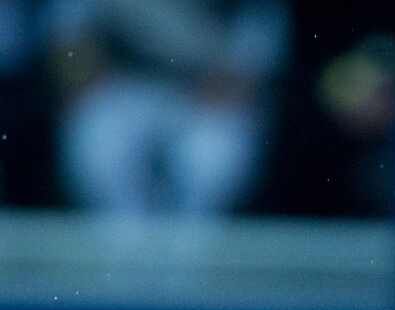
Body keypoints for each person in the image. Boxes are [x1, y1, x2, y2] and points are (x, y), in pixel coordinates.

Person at [46, 0, 290, 214]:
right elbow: (70, 33)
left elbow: (258, 42)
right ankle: (121, 249)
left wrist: (235, 80)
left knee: (210, 156)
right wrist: (79, 71)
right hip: (125, 83)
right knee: (97, 142)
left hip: (206, 88)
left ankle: (193, 250)